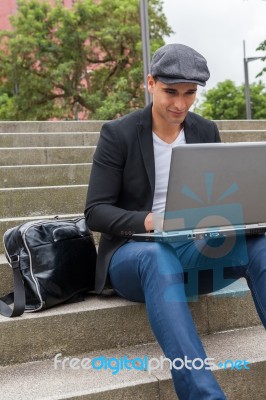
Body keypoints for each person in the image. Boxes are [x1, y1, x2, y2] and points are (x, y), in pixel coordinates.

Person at [84, 43, 266, 399]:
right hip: (135, 254)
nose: (180, 104)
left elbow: (221, 196)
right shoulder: (117, 134)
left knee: (261, 246)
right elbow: (95, 211)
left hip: (196, 252)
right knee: (158, 256)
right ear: (150, 83)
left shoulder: (205, 131)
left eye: (189, 94)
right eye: (170, 92)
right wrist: (152, 221)